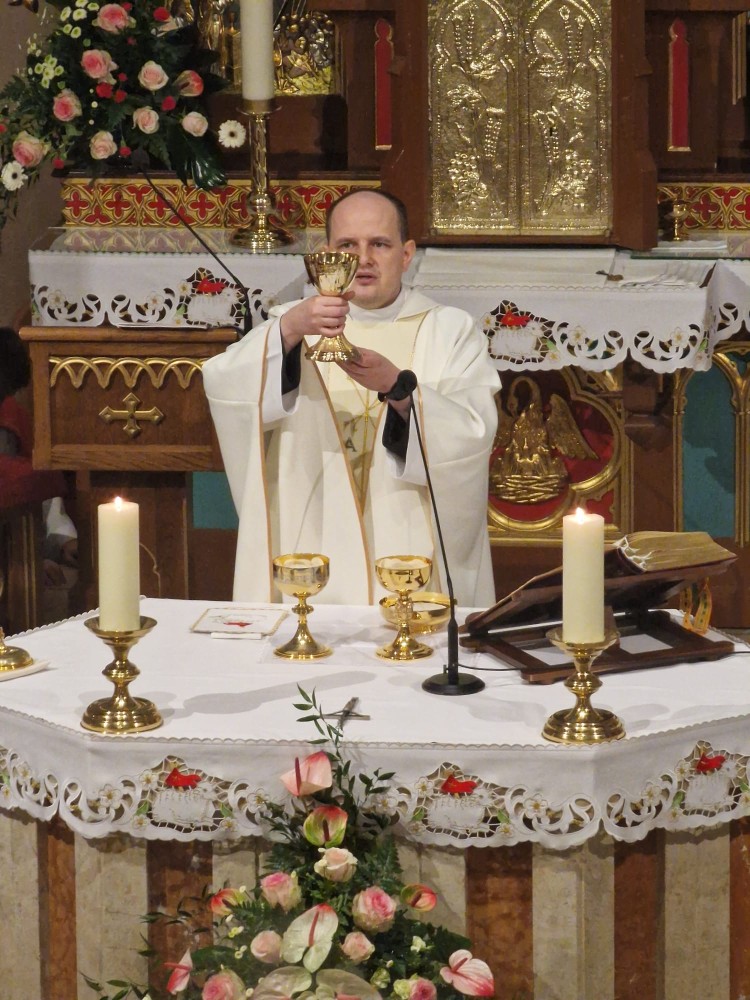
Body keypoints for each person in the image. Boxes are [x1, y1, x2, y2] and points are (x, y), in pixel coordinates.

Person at [202, 189, 500, 606]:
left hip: (408, 544)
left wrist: (399, 389)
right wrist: (289, 330)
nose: (363, 258)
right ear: (326, 255)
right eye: (348, 245)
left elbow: (473, 434)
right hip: (313, 532)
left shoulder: (450, 331)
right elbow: (224, 385)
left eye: (379, 244)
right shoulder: (294, 324)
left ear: (406, 254)